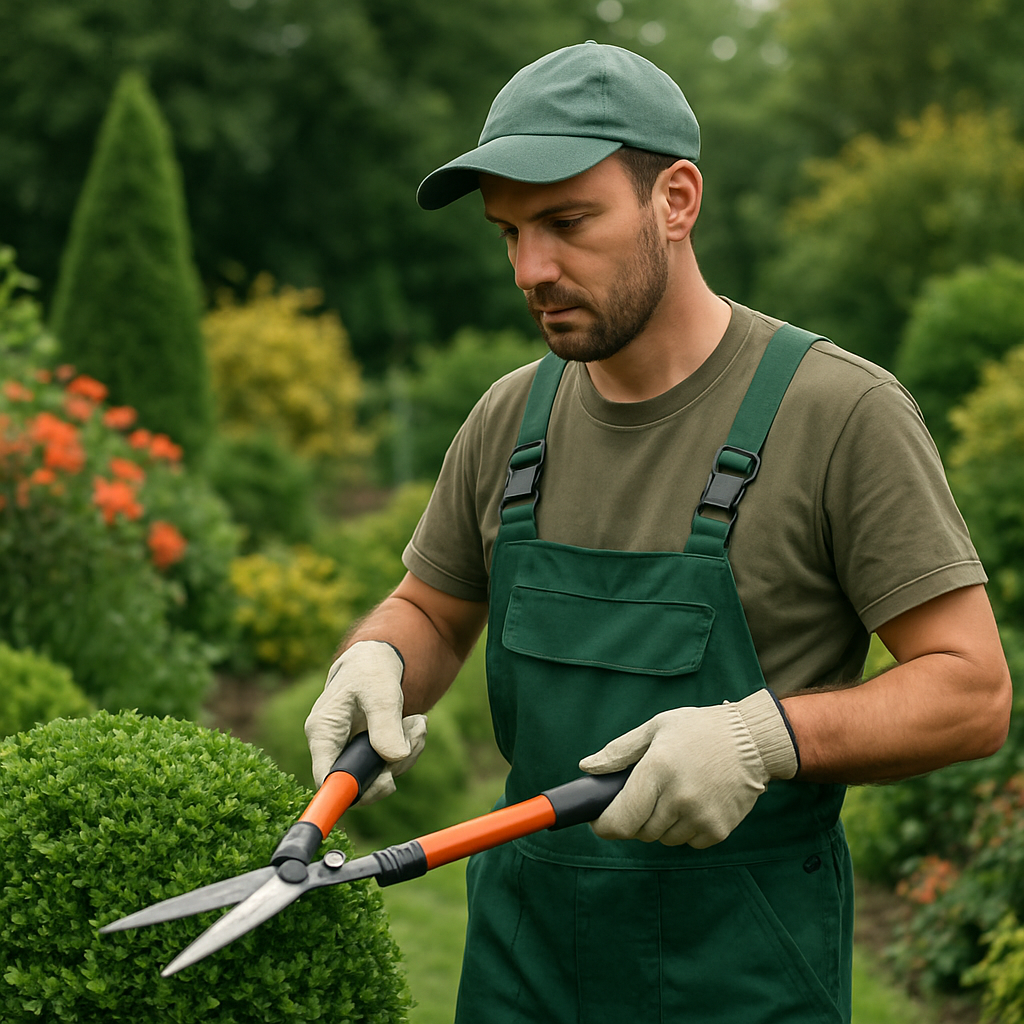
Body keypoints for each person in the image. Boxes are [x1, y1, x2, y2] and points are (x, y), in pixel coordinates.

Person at [305, 41, 1011, 1023]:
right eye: (506, 232)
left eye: (565, 221)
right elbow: (433, 603)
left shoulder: (837, 413)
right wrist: (376, 656)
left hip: (740, 974)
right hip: (522, 967)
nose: (530, 268)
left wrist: (764, 737)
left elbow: (971, 691)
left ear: (675, 199)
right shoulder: (510, 418)